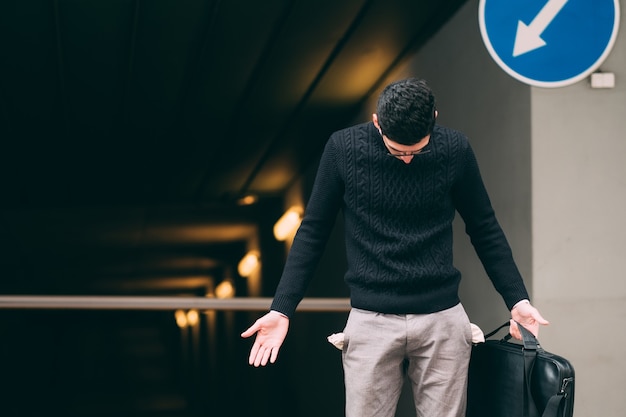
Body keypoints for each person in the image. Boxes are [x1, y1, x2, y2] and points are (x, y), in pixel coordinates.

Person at [241, 78, 548, 417]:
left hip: (442, 319)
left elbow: (484, 227)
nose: (406, 160)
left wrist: (517, 299)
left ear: (434, 118)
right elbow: (313, 231)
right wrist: (283, 308)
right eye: (397, 150)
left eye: (417, 150)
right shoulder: (343, 149)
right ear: (376, 123)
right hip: (371, 320)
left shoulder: (455, 149)